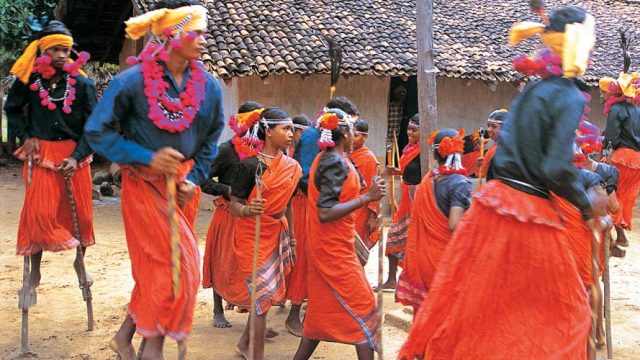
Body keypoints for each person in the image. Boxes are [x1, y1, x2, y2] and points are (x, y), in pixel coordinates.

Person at [399, 7, 608, 358]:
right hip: (529, 215)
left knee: (479, 304)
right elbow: (556, 165)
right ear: (576, 43)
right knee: (568, 313)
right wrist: (587, 205)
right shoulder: (568, 95)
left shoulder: (533, 90)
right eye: (589, 38)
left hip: (492, 204)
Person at [83, 1, 225, 358]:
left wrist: (195, 176)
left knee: (162, 273)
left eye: (204, 33)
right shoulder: (130, 82)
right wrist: (147, 157)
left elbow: (210, 140)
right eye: (196, 32)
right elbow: (97, 132)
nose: (204, 40)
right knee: (174, 273)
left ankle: (125, 338)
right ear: (171, 36)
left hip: (184, 190)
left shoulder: (209, 87)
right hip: (143, 186)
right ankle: (153, 348)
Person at [5, 20, 97, 307]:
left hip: (74, 158)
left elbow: (94, 126)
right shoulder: (29, 82)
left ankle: (80, 263)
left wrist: (78, 155)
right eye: (56, 49)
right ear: (43, 51)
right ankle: (34, 274)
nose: (61, 54)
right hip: (41, 155)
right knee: (39, 215)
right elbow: (12, 110)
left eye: (65, 50)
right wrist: (26, 135)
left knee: (81, 219)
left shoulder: (83, 84)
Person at [292, 108, 386, 360]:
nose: (355, 134)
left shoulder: (336, 158)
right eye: (353, 129)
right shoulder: (332, 161)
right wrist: (367, 197)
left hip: (333, 243)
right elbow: (325, 212)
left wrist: (369, 190)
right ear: (344, 132)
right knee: (365, 307)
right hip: (332, 248)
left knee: (320, 314)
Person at [227, 107, 302, 360]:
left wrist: (291, 239)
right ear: (268, 131)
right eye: (285, 128)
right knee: (261, 298)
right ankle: (255, 354)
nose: (291, 134)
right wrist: (248, 209)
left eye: (292, 129)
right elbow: (233, 203)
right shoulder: (248, 167)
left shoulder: (291, 166)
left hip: (276, 233)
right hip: (252, 235)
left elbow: (288, 204)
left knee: (263, 298)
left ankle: (243, 345)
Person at [201, 101, 263, 328]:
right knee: (221, 262)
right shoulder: (226, 150)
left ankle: (254, 315)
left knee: (252, 264)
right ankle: (218, 310)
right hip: (228, 214)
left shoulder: (265, 150)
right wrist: (227, 190)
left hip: (254, 214)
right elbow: (202, 179)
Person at [395, 128, 471, 310]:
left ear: (435, 153)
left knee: (423, 317)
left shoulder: (427, 180)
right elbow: (455, 225)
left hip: (422, 261)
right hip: (444, 261)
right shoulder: (460, 184)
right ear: (460, 150)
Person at [600, 71, 640, 248]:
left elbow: (612, 137)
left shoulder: (616, 109)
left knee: (613, 195)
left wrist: (606, 154)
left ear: (613, 92)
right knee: (626, 196)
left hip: (621, 157)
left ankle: (617, 237)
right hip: (637, 160)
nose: (602, 95)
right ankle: (620, 236)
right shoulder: (637, 109)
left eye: (603, 92)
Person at [384, 114, 421, 290]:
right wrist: (398, 172)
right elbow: (410, 173)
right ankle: (391, 279)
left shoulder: (425, 152)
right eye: (408, 129)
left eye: (414, 130)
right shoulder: (409, 148)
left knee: (412, 242)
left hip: (417, 201)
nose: (409, 132)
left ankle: (411, 281)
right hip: (405, 198)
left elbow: (422, 176)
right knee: (393, 238)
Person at [284, 114, 312, 336]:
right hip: (297, 212)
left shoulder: (304, 155)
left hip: (308, 210)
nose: (292, 135)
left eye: (295, 131)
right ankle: (293, 313)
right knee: (300, 261)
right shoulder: (291, 158)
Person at [349, 119, 381, 249]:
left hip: (361, 209)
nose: (352, 138)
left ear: (365, 137)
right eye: (351, 134)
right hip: (348, 205)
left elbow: (374, 189)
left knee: (356, 248)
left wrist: (373, 217)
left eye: (355, 135)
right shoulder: (347, 153)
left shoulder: (369, 159)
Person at [477, 109, 509, 180]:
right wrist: (484, 164)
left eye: (493, 126)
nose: (488, 129)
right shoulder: (495, 146)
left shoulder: (507, 149)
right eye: (488, 126)